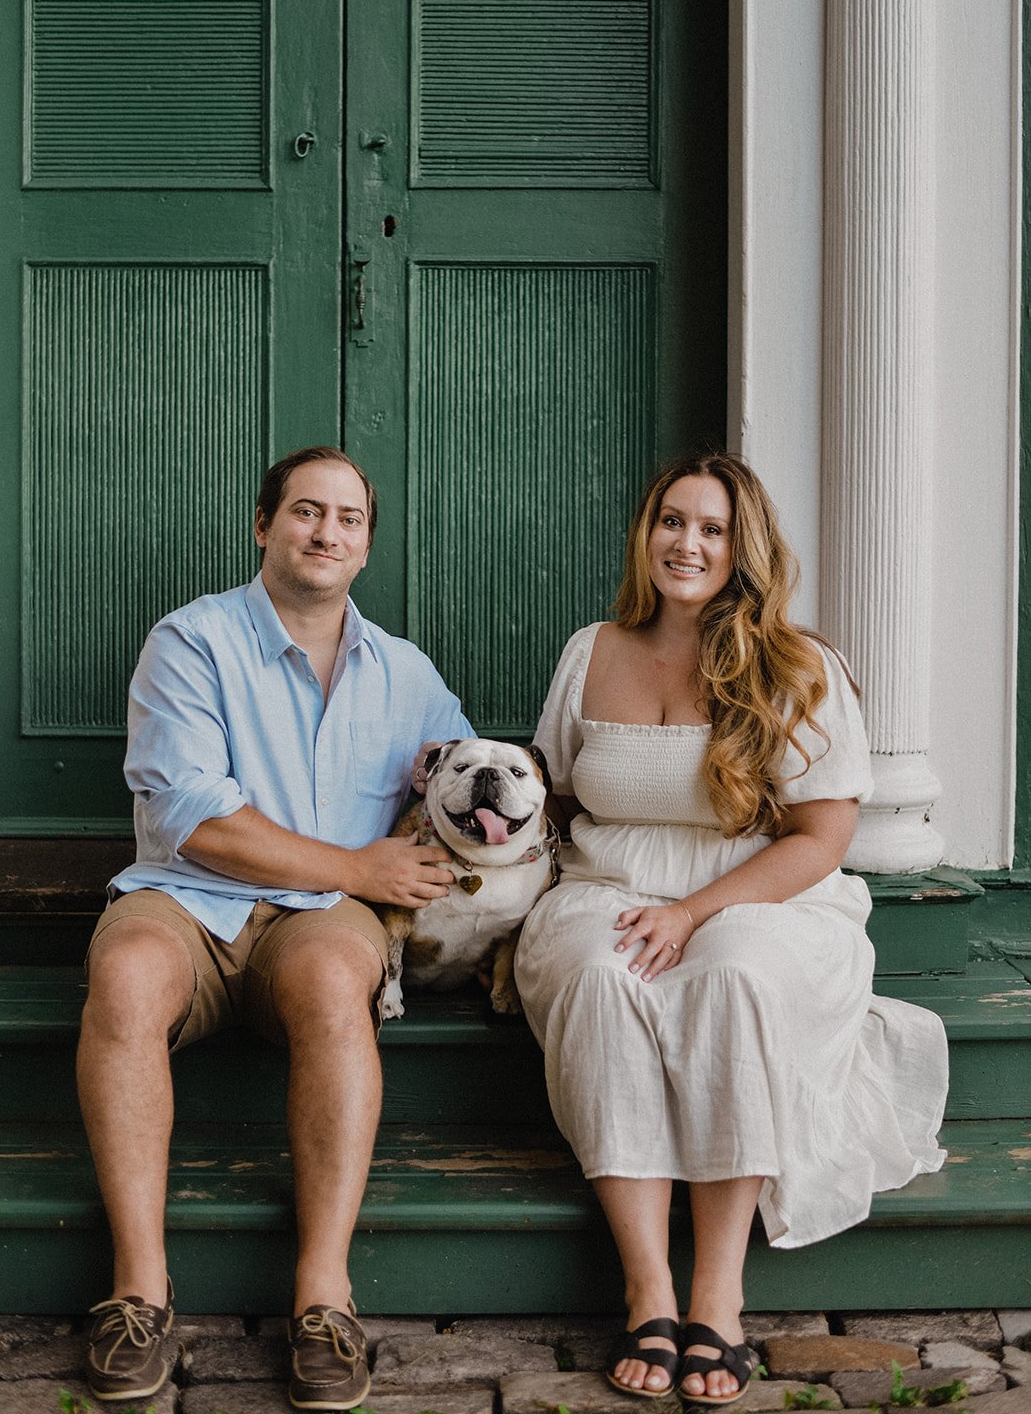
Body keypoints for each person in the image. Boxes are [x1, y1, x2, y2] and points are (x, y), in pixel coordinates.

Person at [514, 453, 948, 1408]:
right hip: (609, 884)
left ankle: (717, 1288)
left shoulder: (798, 666)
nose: (687, 543)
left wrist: (695, 913)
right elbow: (547, 792)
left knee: (731, 981)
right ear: (646, 534)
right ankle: (649, 1285)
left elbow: (824, 836)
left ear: (742, 548)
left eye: (711, 529)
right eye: (672, 521)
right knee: (599, 976)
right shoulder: (592, 651)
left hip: (762, 895)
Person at [76, 446, 470, 1409]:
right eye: (305, 511)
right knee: (125, 974)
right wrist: (357, 865)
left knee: (339, 983)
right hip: (188, 900)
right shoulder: (192, 640)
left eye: (347, 518)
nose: (326, 532)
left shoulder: (407, 675)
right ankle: (139, 1292)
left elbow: (461, 792)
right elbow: (197, 821)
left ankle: (322, 1299)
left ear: (367, 545)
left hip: (322, 927)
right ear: (264, 525)